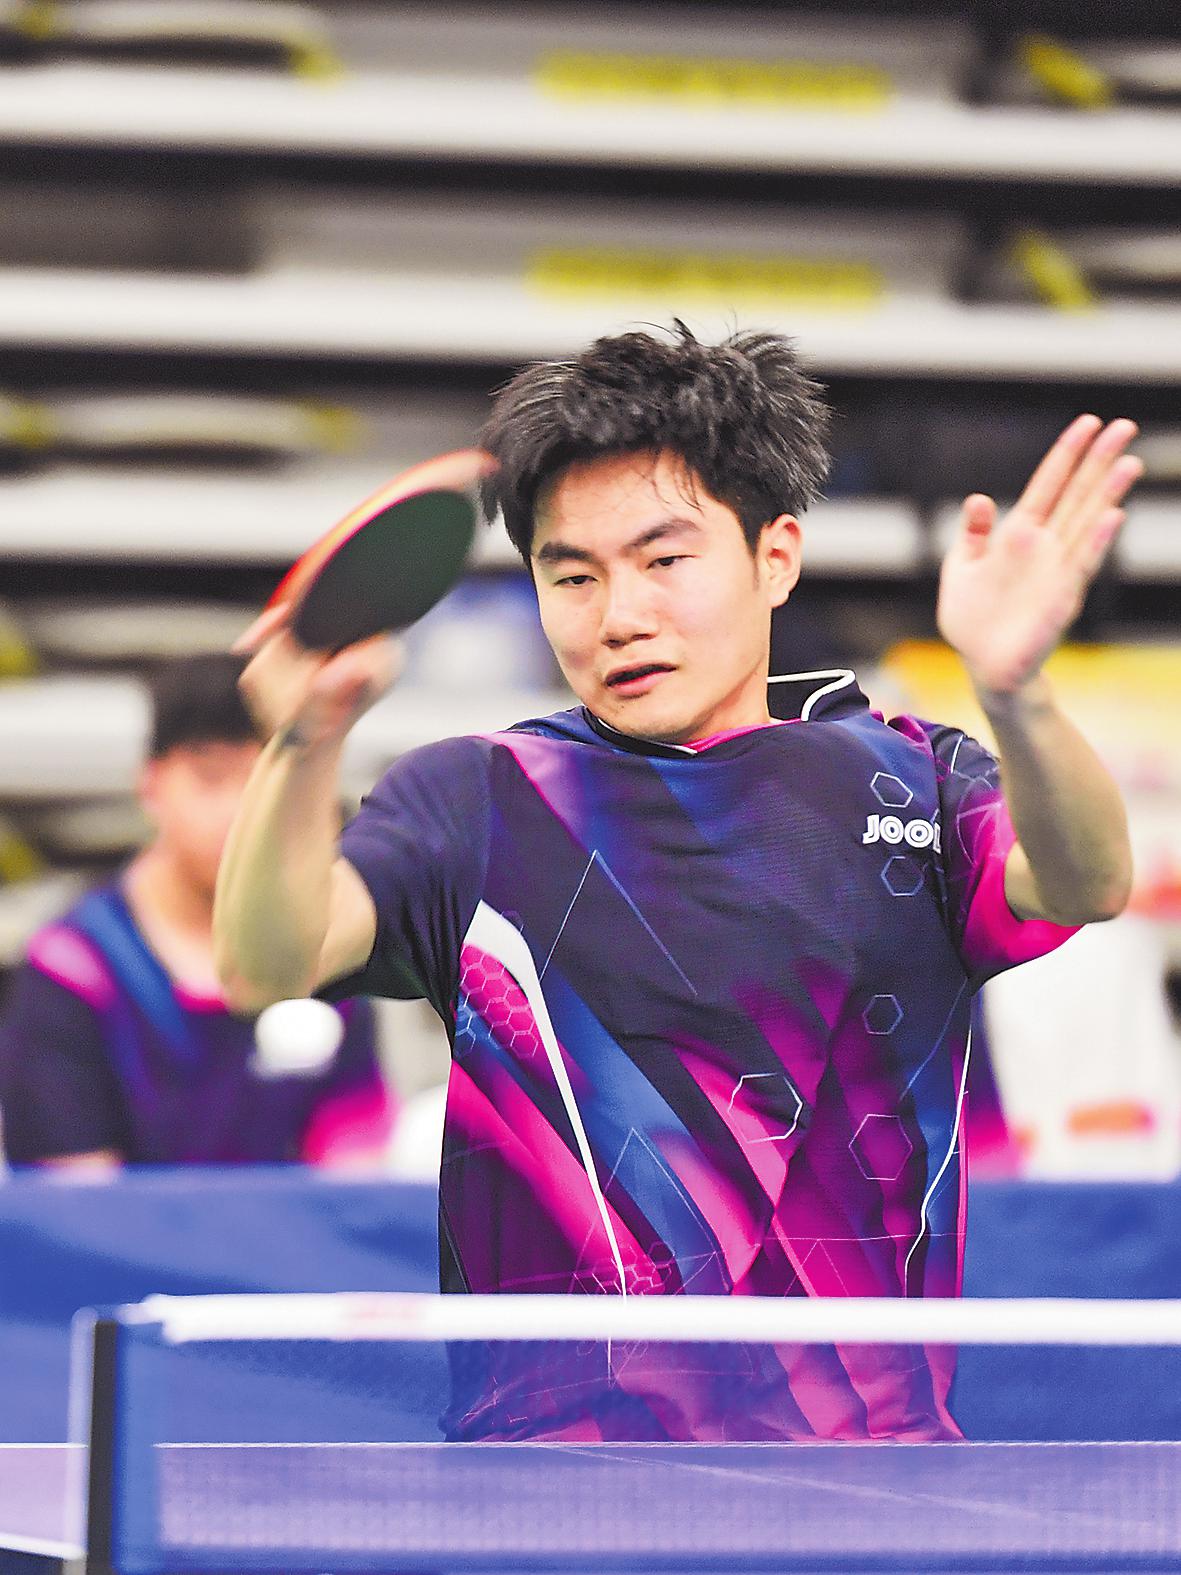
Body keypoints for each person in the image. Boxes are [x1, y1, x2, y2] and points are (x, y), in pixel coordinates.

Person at [216, 325, 1138, 1441]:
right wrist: (300, 745)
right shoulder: (478, 797)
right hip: (549, 1485)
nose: (619, 616)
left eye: (664, 561)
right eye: (572, 576)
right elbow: (268, 963)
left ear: (774, 556)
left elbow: (1082, 880)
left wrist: (1018, 693)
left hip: (863, 1473)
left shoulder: (915, 779)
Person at [0, 652, 393, 1169]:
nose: (238, 813)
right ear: (151, 785)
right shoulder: (71, 970)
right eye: (210, 778)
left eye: (262, 782)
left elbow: (356, 1172)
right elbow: (73, 1199)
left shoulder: (330, 957)